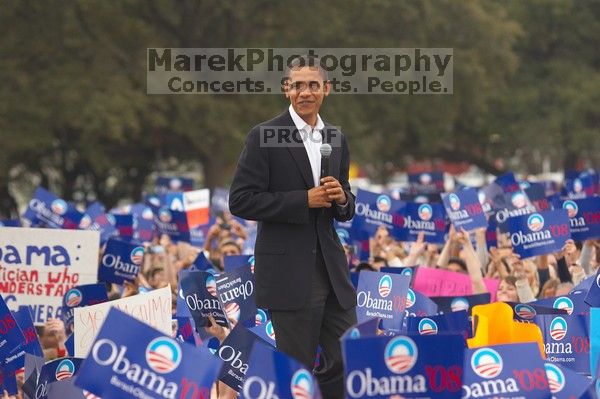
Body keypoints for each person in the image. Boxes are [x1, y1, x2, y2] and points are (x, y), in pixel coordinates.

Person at [229, 54, 356, 398]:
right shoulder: (264, 136)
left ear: (326, 89)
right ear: (286, 90)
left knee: (350, 358)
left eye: (313, 85)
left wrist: (341, 199)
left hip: (333, 273)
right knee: (295, 372)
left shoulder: (336, 138)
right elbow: (240, 200)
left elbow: (345, 205)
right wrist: (303, 200)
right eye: (297, 85)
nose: (305, 92)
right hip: (289, 274)